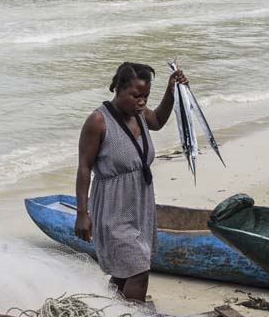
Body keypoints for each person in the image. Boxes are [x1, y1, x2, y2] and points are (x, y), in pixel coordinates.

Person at [74, 62, 186, 302]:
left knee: (125, 271)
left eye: (145, 96)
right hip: (113, 208)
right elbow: (84, 169)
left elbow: (157, 121)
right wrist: (82, 214)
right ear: (118, 89)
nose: (142, 101)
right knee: (138, 270)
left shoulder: (141, 114)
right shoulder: (98, 121)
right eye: (135, 95)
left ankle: (111, 311)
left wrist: (170, 92)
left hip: (140, 204)